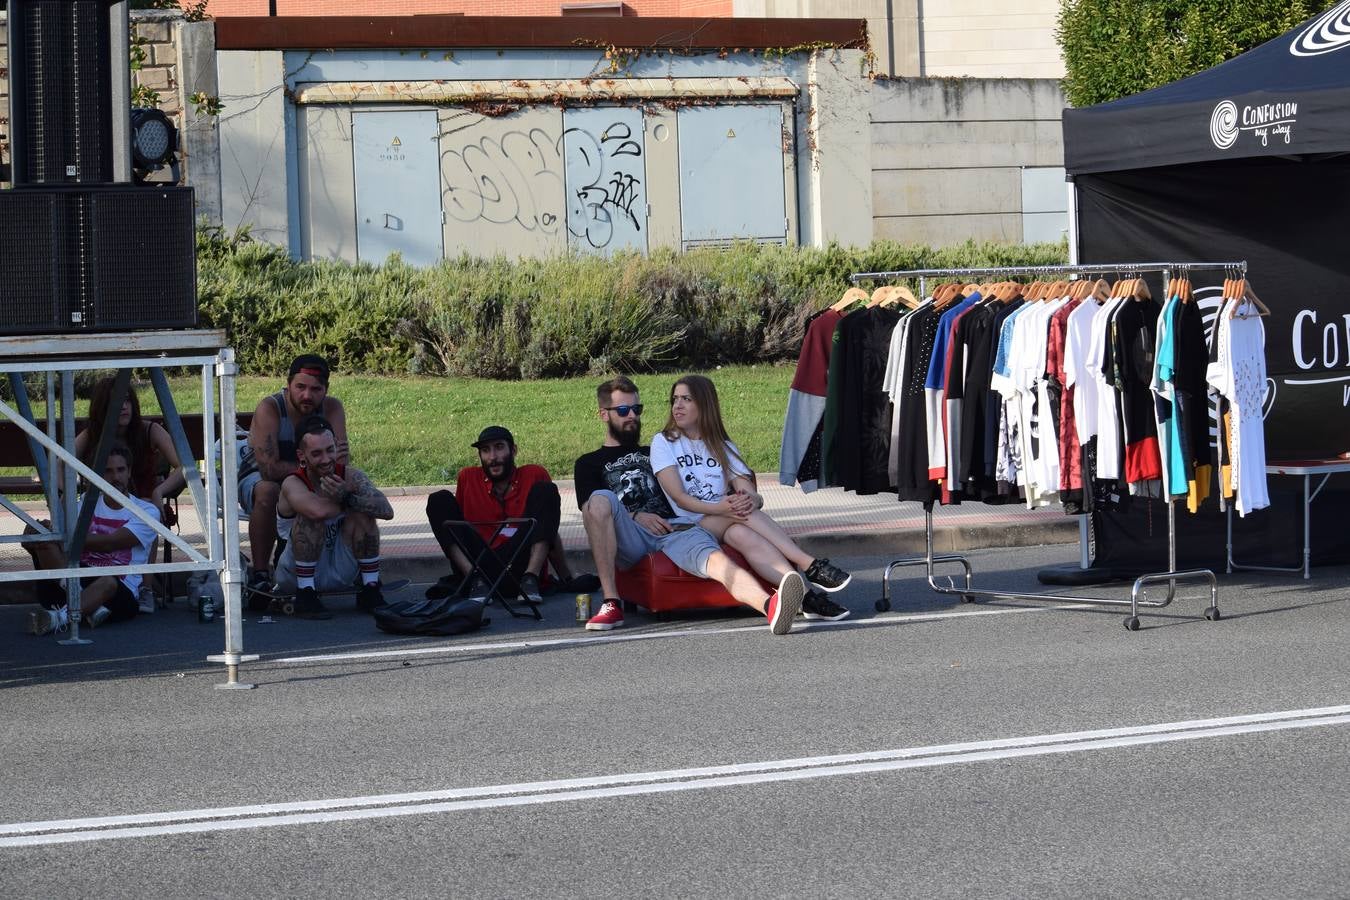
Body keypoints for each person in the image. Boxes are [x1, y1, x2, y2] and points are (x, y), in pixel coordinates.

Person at [574, 376, 824, 635]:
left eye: (637, 409)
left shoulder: (659, 450)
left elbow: (699, 476)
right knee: (601, 498)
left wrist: (740, 497)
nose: (632, 417)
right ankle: (611, 602)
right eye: (623, 410)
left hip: (677, 530)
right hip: (631, 533)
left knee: (719, 563)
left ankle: (770, 606)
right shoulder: (588, 463)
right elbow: (592, 512)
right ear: (604, 414)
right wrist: (635, 515)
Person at [650, 374, 852, 617]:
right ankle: (809, 564)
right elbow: (680, 498)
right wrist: (724, 508)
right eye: (675, 399)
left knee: (742, 534)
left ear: (704, 404)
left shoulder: (721, 445)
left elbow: (748, 492)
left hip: (726, 520)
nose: (677, 406)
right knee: (739, 514)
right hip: (688, 524)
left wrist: (751, 500)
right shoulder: (664, 442)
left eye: (686, 399)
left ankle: (805, 597)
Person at [74, 376, 187, 613]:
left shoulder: (149, 430)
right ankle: (87, 584)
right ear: (102, 408)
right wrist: (74, 489)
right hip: (103, 500)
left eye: (127, 400)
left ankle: (145, 588)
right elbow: (60, 461)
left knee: (147, 512)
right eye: (116, 401)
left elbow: (185, 467)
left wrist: (160, 491)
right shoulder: (92, 434)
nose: (123, 406)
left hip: (144, 500)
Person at [244, 354, 348, 602]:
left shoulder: (332, 407)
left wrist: (321, 469)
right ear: (288, 384)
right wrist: (316, 467)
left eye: (315, 389)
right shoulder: (270, 407)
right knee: (268, 491)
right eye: (300, 387)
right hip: (257, 475)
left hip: (309, 474)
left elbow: (341, 462)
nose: (307, 396)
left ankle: (358, 568)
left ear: (326, 390)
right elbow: (268, 469)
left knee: (349, 490)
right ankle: (260, 573)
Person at [27, 442, 160, 635]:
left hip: (118, 592)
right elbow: (45, 545)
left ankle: (58, 619)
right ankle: (89, 604)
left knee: (107, 581)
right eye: (108, 471)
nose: (115, 477)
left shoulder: (147, 511)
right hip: (73, 581)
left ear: (129, 472)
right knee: (42, 538)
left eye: (120, 470)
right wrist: (37, 533)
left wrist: (59, 537)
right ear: (98, 475)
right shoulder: (82, 507)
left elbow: (110, 543)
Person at [424, 426, 561, 607]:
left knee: (546, 490)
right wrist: (473, 574)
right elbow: (457, 531)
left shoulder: (534, 474)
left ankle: (530, 579)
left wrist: (567, 576)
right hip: (479, 565)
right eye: (485, 451)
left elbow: (547, 527)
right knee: (438, 499)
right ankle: (474, 580)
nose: (492, 457)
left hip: (519, 562)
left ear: (513, 450)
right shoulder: (468, 477)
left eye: (499, 447)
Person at [274, 416, 392, 619]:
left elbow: (386, 510)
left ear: (337, 446)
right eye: (317, 454)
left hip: (339, 567)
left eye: (330, 450)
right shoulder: (293, 482)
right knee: (312, 514)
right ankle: (306, 593)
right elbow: (317, 512)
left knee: (364, 513)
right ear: (302, 456)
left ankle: (370, 587)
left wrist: (348, 497)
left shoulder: (351, 476)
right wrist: (349, 501)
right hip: (295, 572)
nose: (326, 459)